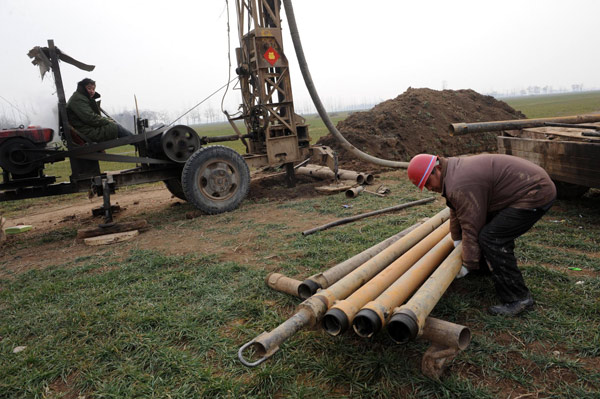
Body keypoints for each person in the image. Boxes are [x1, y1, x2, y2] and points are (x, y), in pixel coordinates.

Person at [407, 153, 556, 316]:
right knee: (491, 230)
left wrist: (467, 264)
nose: (429, 188)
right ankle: (484, 268)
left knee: (492, 238)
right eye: (424, 186)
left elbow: (471, 225)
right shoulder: (452, 173)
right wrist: (457, 239)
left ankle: (519, 298)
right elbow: (456, 210)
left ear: (437, 169)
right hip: (524, 187)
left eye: (428, 182)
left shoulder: (459, 183)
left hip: (534, 192)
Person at [66, 78, 134, 143]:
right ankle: (137, 141)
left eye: (93, 89)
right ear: (82, 88)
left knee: (115, 126)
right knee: (116, 127)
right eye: (89, 88)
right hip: (86, 132)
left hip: (86, 129)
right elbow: (90, 118)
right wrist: (107, 121)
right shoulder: (78, 99)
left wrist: (107, 121)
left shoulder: (80, 97)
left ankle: (137, 141)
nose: (92, 91)